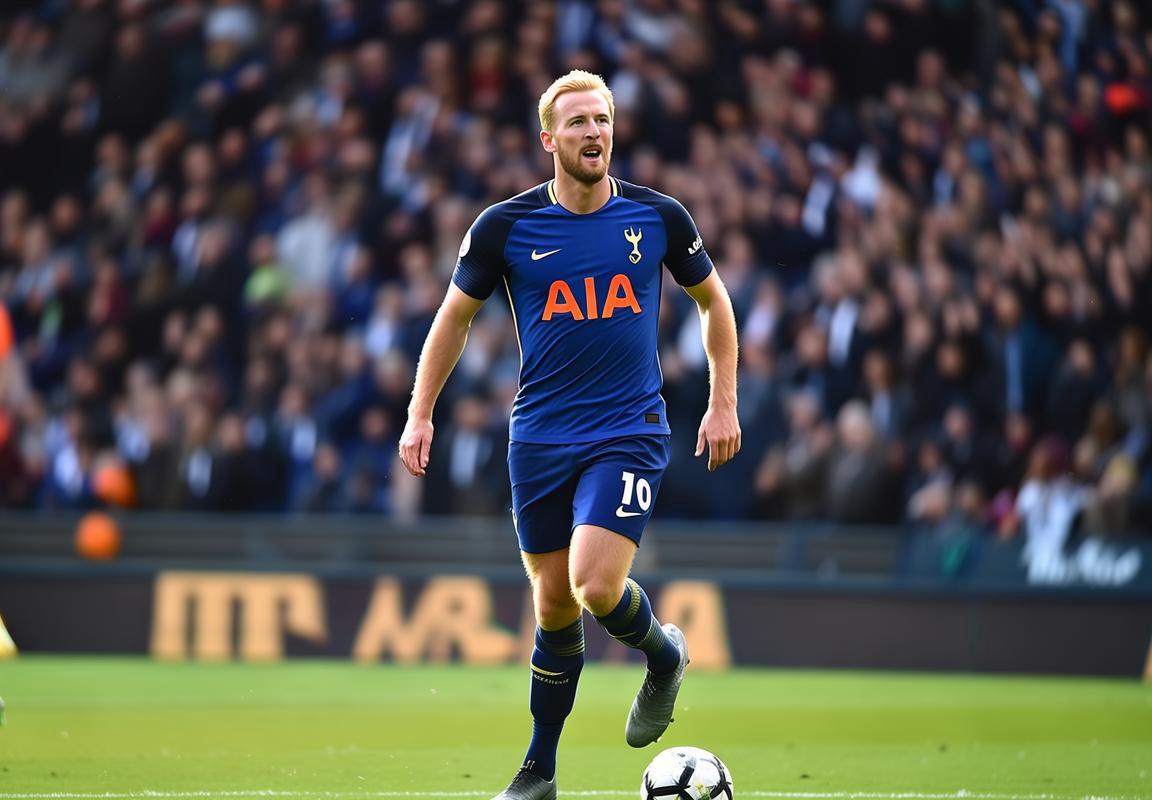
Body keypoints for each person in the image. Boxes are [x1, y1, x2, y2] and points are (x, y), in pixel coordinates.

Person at [398, 70, 740, 800]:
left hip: (627, 430)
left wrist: (722, 402)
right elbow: (454, 318)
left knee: (594, 583)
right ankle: (540, 771)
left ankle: (663, 655)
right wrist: (420, 411)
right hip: (539, 438)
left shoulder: (658, 217)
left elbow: (714, 303)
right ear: (548, 138)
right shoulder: (505, 227)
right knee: (554, 606)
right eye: (578, 121)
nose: (594, 132)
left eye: (603, 119)